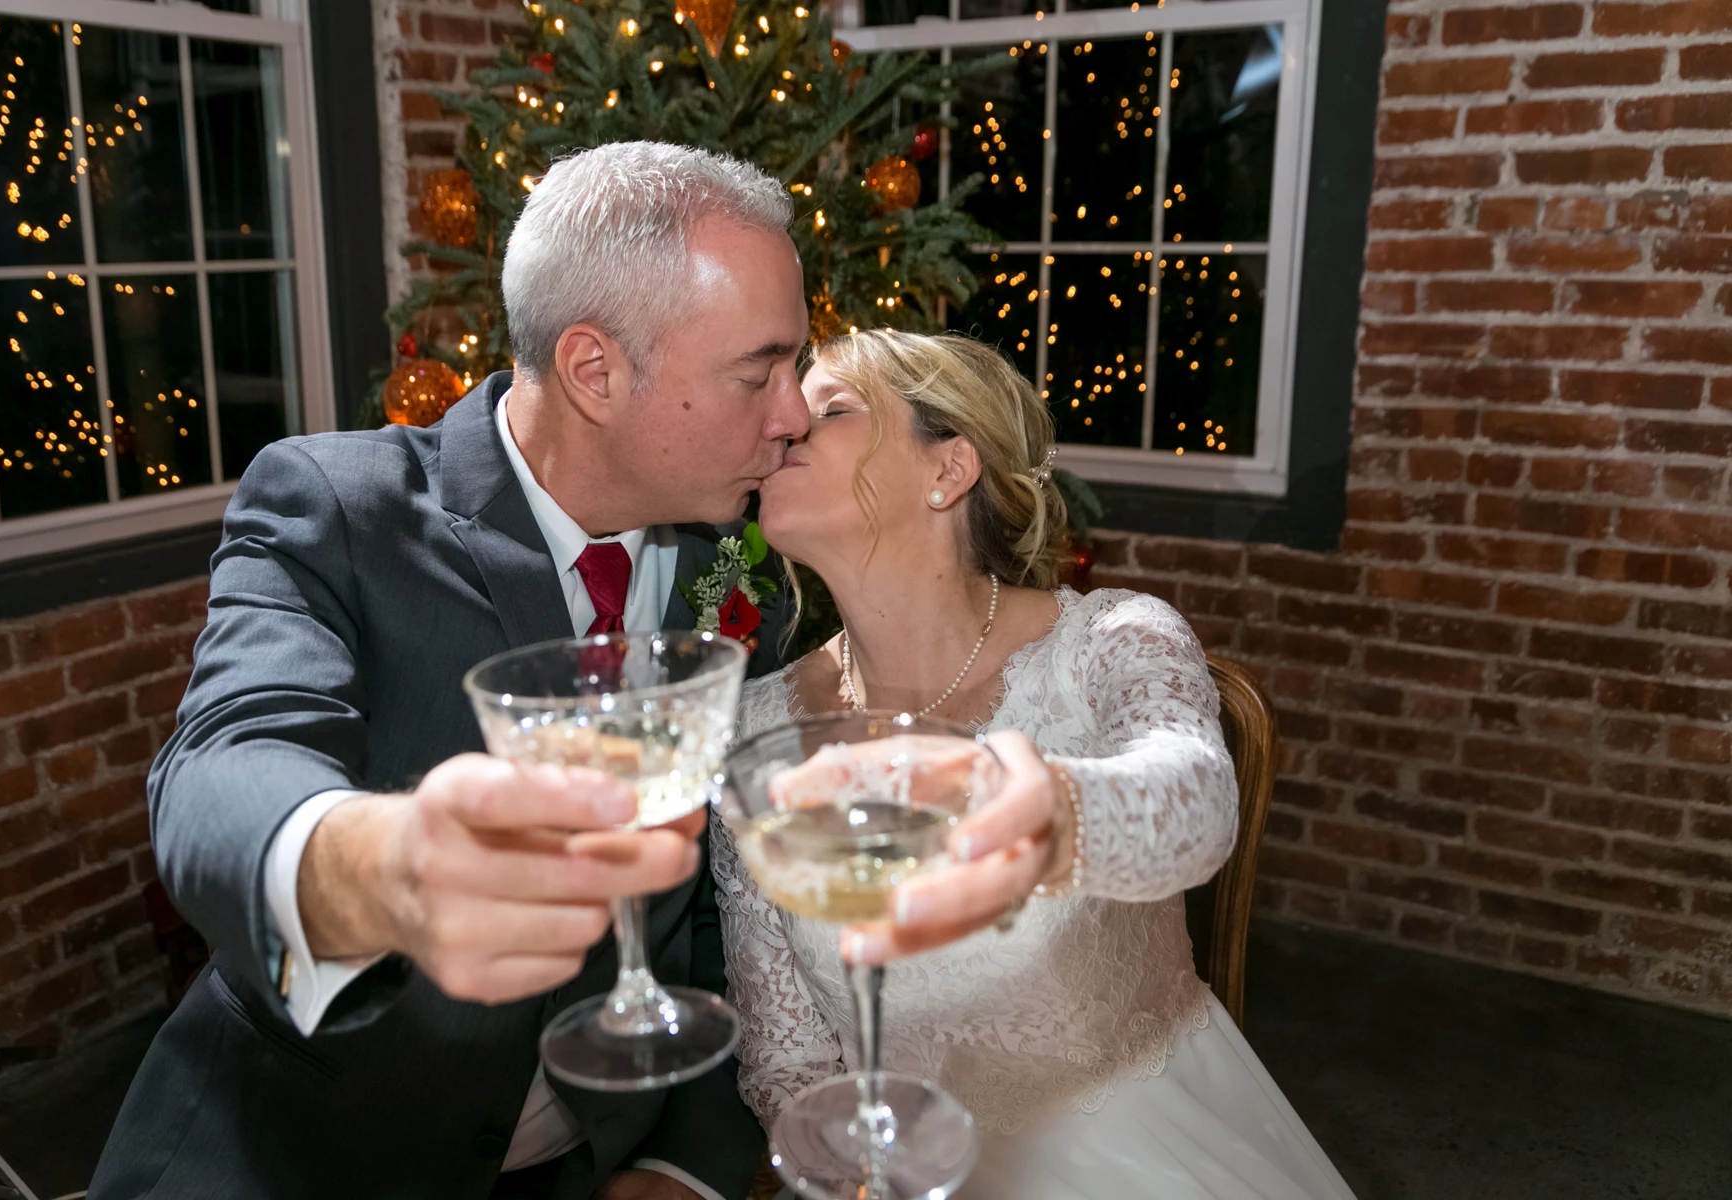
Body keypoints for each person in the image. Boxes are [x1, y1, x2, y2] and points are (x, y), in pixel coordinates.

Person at [89, 142, 815, 1200]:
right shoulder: (336, 510)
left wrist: (681, 1159)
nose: (793, 413)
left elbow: (714, 909)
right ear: (594, 370)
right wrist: (381, 866)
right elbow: (222, 763)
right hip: (294, 1163)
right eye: (762, 370)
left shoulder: (731, 576)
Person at [714, 329, 1359, 1200]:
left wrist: (1041, 811)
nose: (783, 425)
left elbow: (1196, 805)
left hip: (1143, 1152)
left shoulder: (1110, 641)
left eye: (830, 410)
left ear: (949, 472)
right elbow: (785, 1057)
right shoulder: (756, 727)